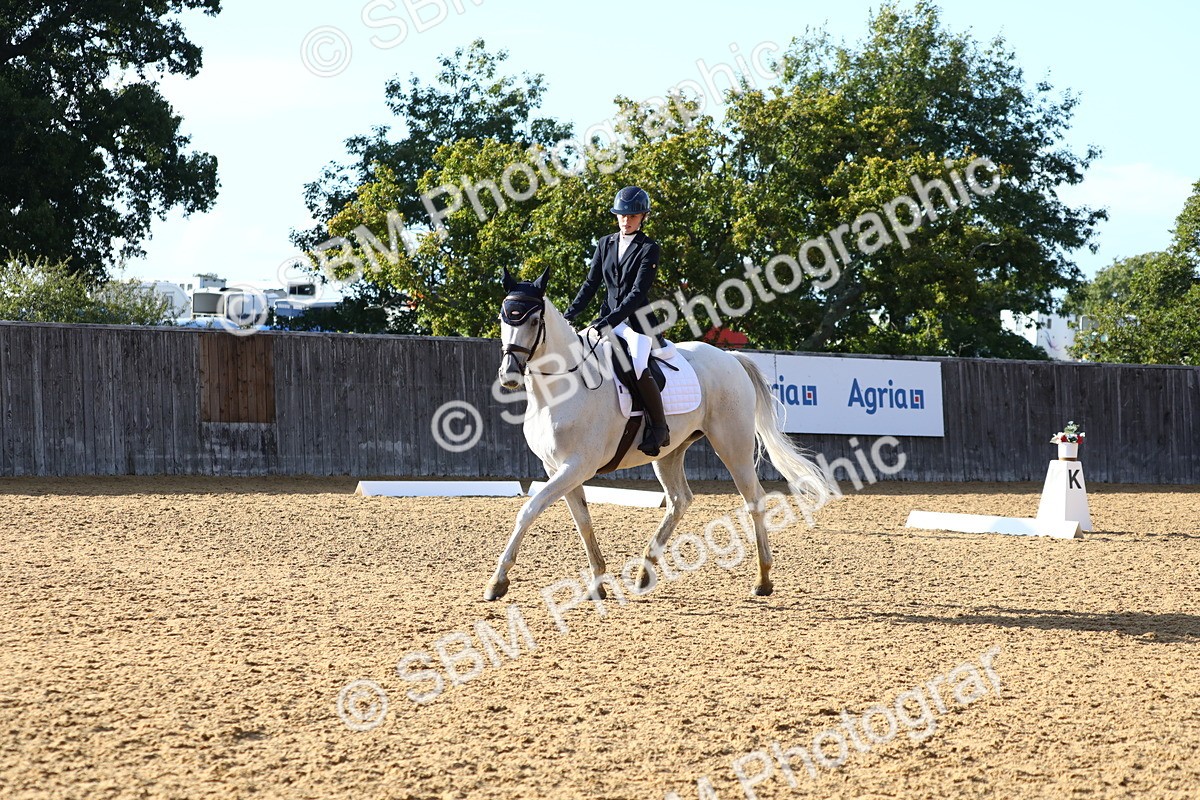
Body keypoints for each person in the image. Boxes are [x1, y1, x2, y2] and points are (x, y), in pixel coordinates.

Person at [564, 186, 671, 456]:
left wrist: (611, 321)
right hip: (607, 318)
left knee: (636, 364)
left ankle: (659, 427)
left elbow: (637, 293)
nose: (626, 220)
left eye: (633, 216)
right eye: (622, 215)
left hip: (637, 323)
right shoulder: (605, 243)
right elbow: (591, 284)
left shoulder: (649, 248)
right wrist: (570, 314)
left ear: (643, 216)